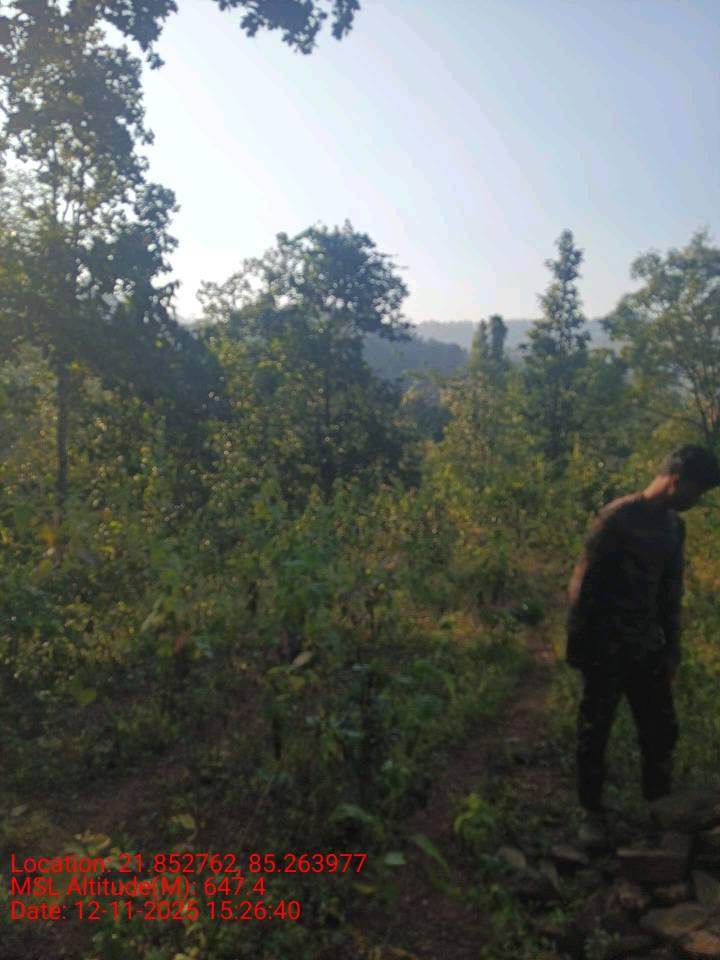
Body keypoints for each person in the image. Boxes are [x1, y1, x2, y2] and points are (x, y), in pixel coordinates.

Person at [566, 445, 720, 849]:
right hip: (605, 646)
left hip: (647, 646)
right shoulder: (616, 519)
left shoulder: (674, 528)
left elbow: (671, 593)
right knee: (595, 729)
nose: (697, 500)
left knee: (661, 731)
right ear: (676, 481)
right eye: (698, 491)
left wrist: (672, 650)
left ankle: (660, 810)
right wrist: (579, 647)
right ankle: (591, 813)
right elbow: (583, 585)